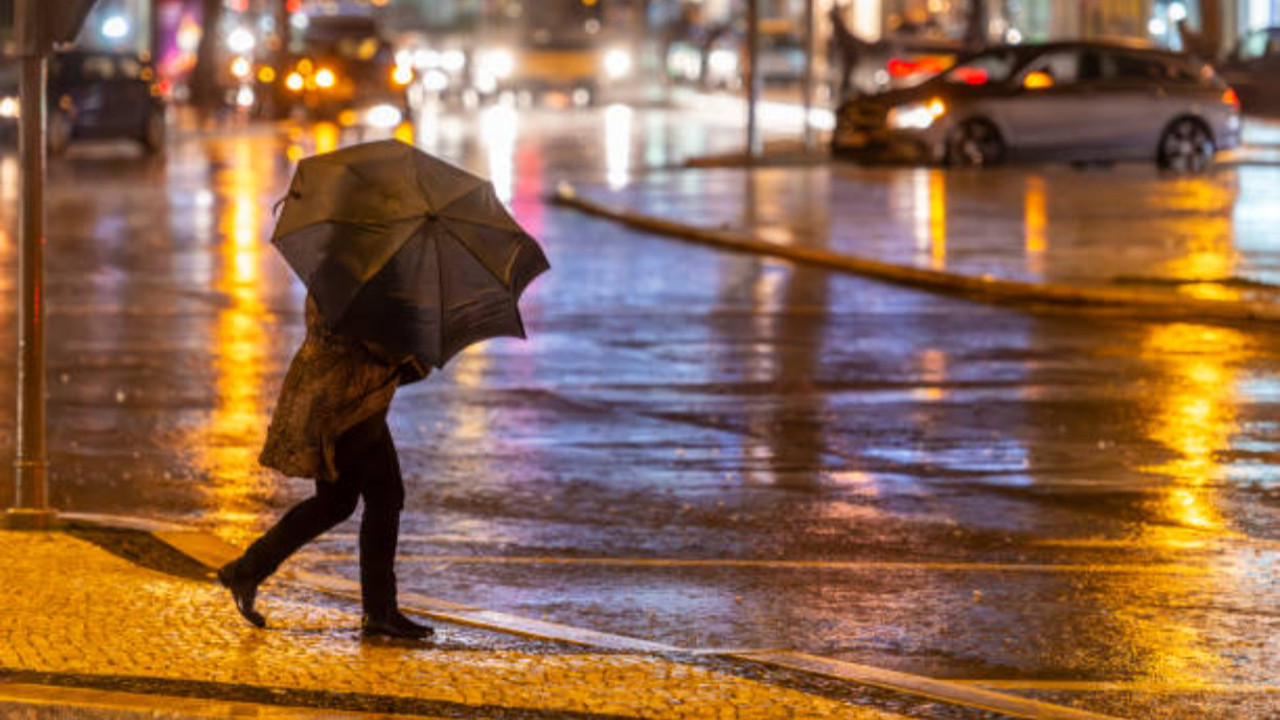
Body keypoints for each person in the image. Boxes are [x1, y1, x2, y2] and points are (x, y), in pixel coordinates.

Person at [216, 293, 434, 640]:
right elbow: (377, 340)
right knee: (383, 497)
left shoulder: (343, 267)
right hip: (346, 403)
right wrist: (418, 347)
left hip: (346, 399)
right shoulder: (361, 277)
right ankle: (379, 611)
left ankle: (248, 570)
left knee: (341, 502)